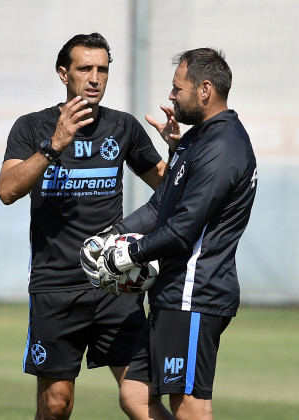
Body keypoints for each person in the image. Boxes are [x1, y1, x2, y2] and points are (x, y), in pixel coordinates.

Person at [0, 32, 178, 420]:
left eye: (102, 69)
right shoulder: (31, 127)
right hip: (56, 287)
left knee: (142, 399)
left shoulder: (123, 128)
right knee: (56, 404)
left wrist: (179, 152)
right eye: (85, 69)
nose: (95, 77)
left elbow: (172, 189)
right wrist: (54, 145)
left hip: (115, 283)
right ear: (64, 74)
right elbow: (7, 190)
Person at [88, 48, 258, 420]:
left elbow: (183, 230)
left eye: (176, 88)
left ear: (205, 89)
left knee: (190, 409)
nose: (170, 95)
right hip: (173, 294)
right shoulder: (196, 140)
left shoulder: (224, 147)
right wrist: (112, 235)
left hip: (195, 294)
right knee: (135, 395)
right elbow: (157, 208)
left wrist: (129, 255)